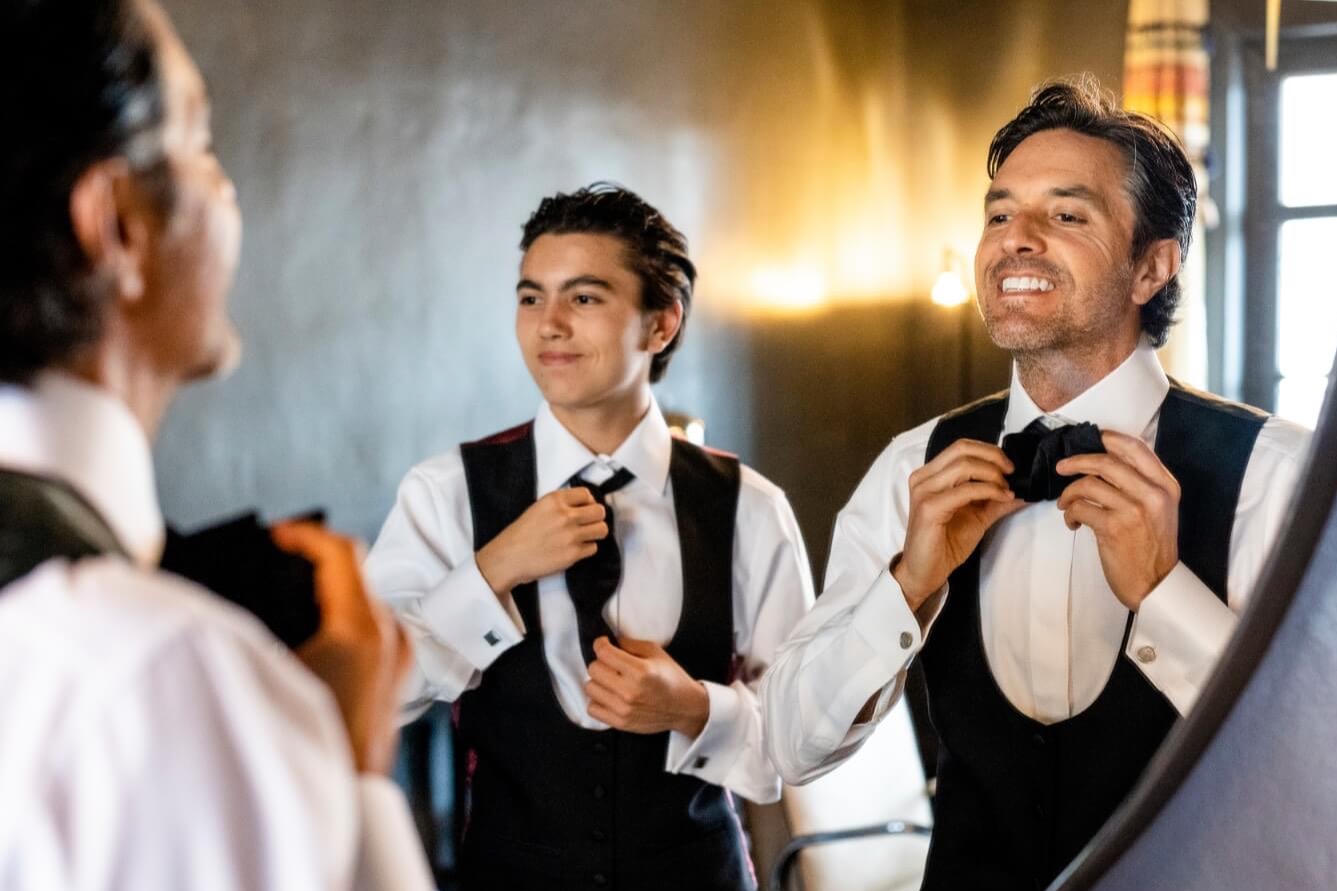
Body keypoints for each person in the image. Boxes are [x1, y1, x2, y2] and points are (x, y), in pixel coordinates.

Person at [760, 77, 1313, 890]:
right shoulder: (914, 466)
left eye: (1064, 214)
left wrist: (1164, 594)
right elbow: (789, 745)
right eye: (996, 213)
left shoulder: (1278, 476)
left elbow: (1316, 763)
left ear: (1150, 266)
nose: (1012, 238)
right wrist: (908, 584)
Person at [0, 2, 433, 888]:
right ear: (116, 225)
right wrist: (346, 778)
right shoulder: (165, 684)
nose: (228, 192)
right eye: (203, 142)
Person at [366, 183, 814, 890]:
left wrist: (695, 707)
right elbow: (372, 690)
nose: (548, 324)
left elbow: (803, 736)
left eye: (582, 298)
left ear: (660, 324)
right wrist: (492, 570)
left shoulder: (749, 509)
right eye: (529, 297)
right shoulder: (444, 491)